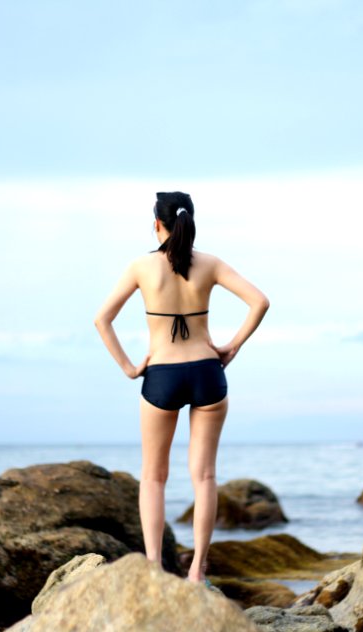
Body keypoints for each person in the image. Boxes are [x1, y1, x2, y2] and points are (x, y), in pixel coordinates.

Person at [94, 191, 269, 584]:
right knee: (204, 476)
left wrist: (128, 366)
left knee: (154, 477)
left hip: (163, 375)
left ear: (157, 224)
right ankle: (197, 571)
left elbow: (102, 319)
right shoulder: (209, 263)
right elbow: (259, 301)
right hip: (208, 372)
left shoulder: (141, 267)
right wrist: (232, 346)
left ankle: (155, 570)